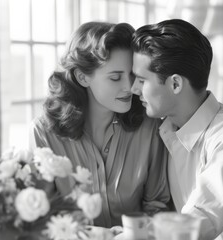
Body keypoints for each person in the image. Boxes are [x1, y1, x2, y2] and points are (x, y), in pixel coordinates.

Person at [131, 19, 223, 240]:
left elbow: (197, 222)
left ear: (175, 84)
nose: (134, 88)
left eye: (142, 80)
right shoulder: (168, 130)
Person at [30, 21, 170, 228]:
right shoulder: (44, 132)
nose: (130, 87)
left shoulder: (149, 127)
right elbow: (40, 217)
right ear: (82, 77)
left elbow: (158, 206)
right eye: (115, 78)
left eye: (132, 75)